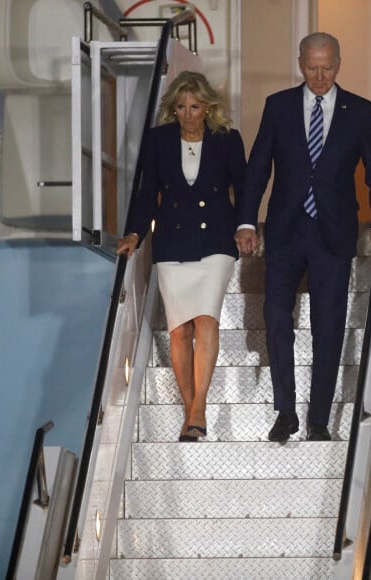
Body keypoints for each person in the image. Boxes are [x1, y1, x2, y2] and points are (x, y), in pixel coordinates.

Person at [235, 32, 371, 442]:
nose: (319, 76)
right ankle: (285, 412)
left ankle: (319, 419)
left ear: (338, 64)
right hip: (286, 230)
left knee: (329, 326)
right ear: (300, 63)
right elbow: (257, 170)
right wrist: (247, 222)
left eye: (326, 67)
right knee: (274, 316)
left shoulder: (358, 111)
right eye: (311, 67)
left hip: (334, 233)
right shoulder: (279, 106)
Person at [117, 71, 246, 442]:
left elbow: (244, 184)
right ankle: (191, 412)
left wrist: (245, 226)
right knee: (179, 329)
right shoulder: (158, 141)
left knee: (206, 320)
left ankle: (199, 408)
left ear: (208, 106)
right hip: (172, 242)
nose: (188, 113)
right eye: (181, 107)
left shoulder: (227, 139)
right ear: (173, 109)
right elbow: (147, 193)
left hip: (216, 243)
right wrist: (135, 233)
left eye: (195, 106)